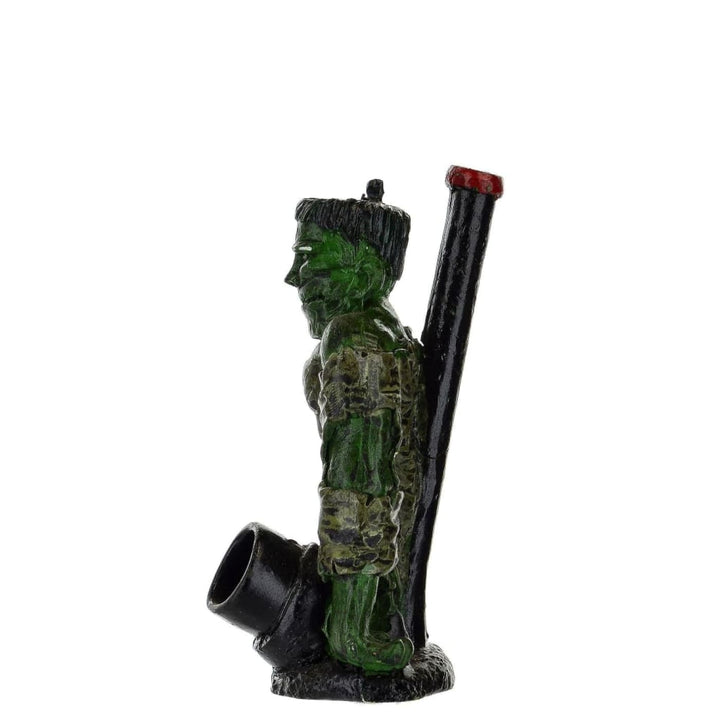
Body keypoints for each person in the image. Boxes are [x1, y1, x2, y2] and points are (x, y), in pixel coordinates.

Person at [285, 180, 426, 672]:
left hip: (368, 594)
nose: (293, 277)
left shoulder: (355, 339)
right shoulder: (377, 329)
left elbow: (361, 484)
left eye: (309, 257)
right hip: (382, 581)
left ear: (363, 267)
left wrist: (350, 628)